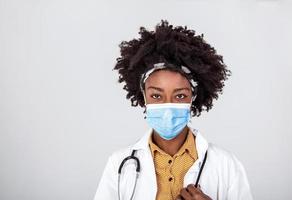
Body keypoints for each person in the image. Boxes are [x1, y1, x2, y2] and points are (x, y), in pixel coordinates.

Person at [93, 20, 253, 200]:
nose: (167, 107)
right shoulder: (119, 165)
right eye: (156, 96)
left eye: (179, 96)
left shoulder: (227, 165)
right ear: (143, 97)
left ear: (193, 97)